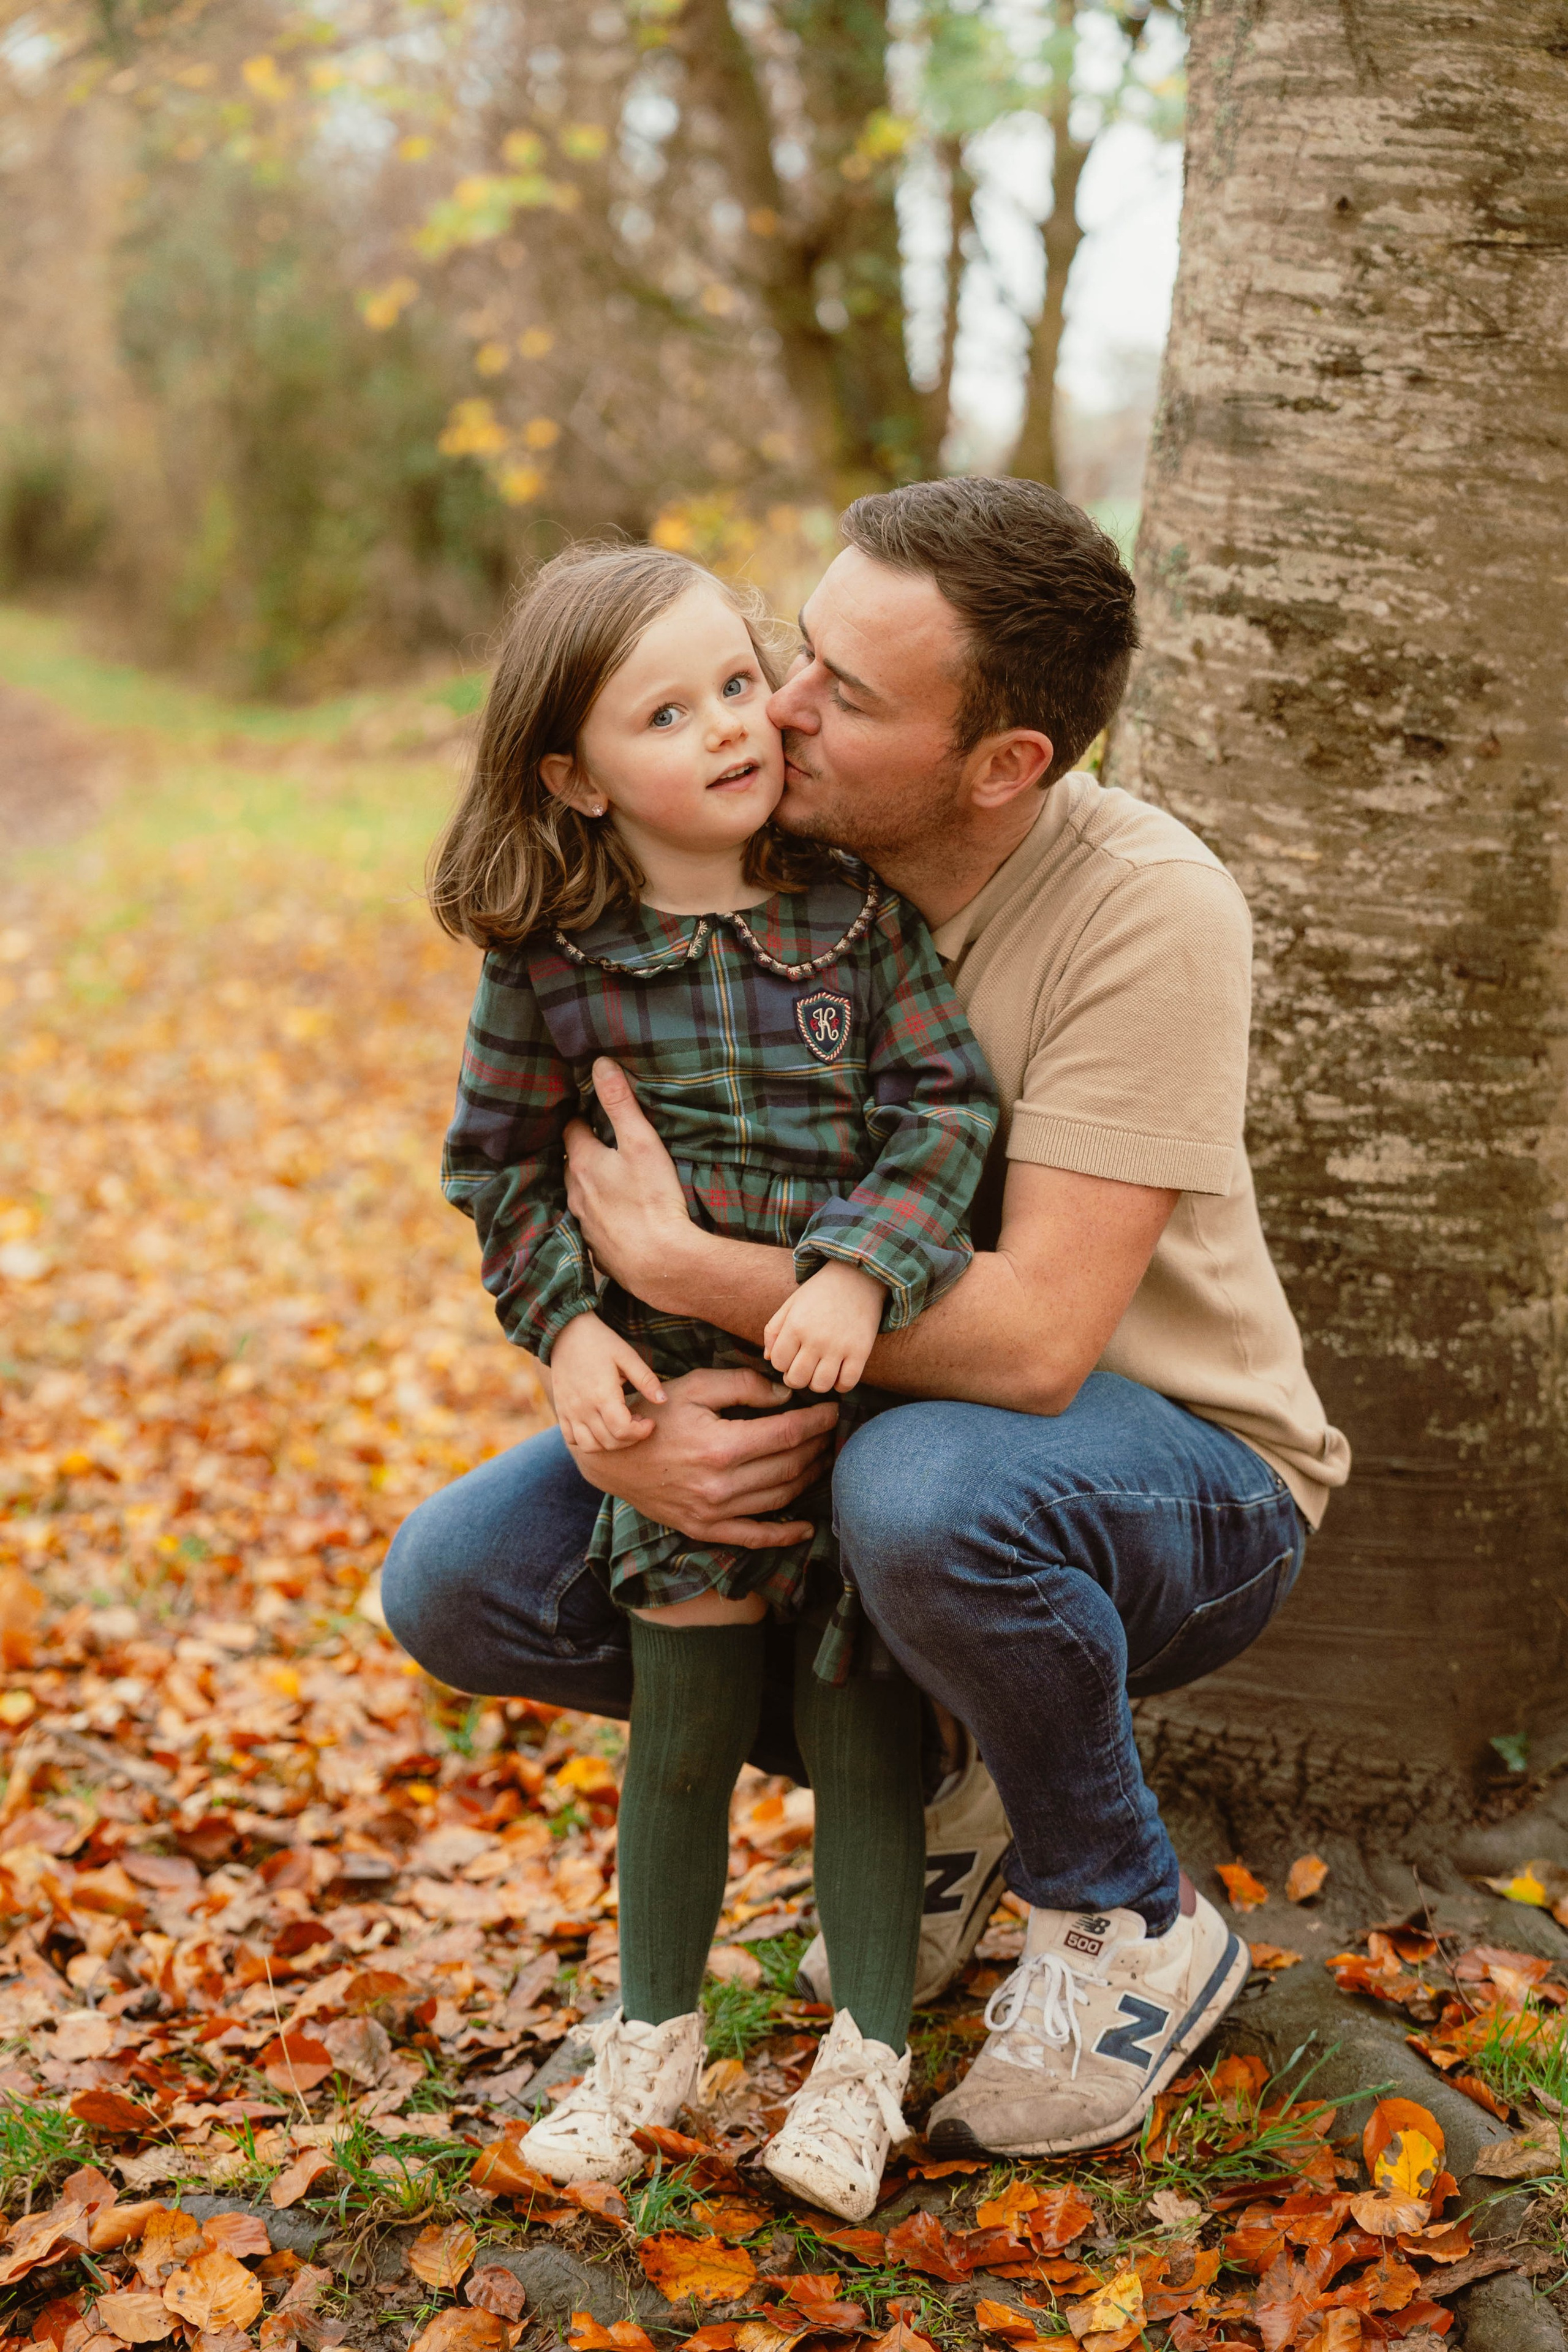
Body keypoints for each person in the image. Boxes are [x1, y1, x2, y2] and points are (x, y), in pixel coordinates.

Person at [385, 477, 1351, 2161]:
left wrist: (704, 1282)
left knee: (923, 1496)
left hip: (1163, 1470)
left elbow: (1042, 1339)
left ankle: (1123, 1912)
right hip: (832, 1412)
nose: (782, 711)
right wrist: (614, 1395)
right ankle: (935, 1786)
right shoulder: (755, 861)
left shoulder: (1143, 906)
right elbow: (563, 1178)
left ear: (1004, 766)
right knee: (465, 1578)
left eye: (852, 694)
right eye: (795, 651)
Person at [423, 540, 998, 2218]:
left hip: (861, 1397)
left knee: (859, 1721)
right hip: (675, 1416)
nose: (733, 728)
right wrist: (571, 1335)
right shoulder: (553, 964)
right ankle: (651, 2034)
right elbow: (499, 1173)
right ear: (574, 776)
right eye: (667, 713)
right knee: (677, 1733)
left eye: (739, 684)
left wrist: (854, 1271)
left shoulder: (855, 919)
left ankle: (865, 2063)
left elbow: (947, 1118)